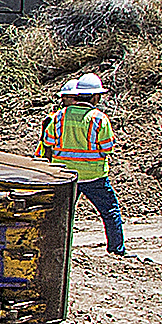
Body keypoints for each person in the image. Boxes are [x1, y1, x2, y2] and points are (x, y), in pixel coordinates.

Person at [39, 72, 126, 256]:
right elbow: (107, 148)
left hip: (65, 176)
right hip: (93, 176)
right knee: (110, 212)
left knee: (60, 216)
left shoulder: (59, 117)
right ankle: (116, 251)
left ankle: (54, 251)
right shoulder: (99, 119)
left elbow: (48, 143)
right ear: (95, 97)